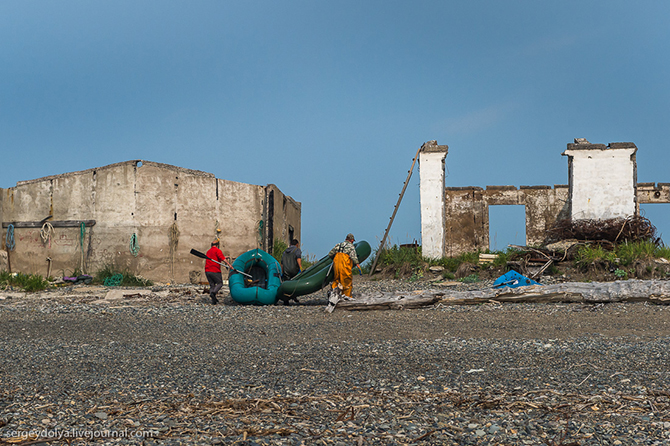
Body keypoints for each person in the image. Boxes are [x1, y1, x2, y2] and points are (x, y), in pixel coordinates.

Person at [328, 233, 361, 300]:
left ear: (346, 239)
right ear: (351, 240)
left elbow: (330, 254)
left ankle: (333, 296)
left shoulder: (338, 245)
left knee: (336, 280)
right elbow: (353, 256)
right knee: (347, 281)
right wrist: (357, 264)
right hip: (345, 264)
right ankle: (347, 297)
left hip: (336, 264)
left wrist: (335, 259)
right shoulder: (351, 247)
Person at [205, 238, 234, 305]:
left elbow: (216, 258)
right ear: (217, 245)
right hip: (215, 270)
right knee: (220, 283)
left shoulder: (208, 251)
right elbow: (223, 259)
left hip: (207, 271)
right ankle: (213, 293)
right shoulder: (217, 250)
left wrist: (224, 257)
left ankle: (213, 301)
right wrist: (230, 265)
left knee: (212, 285)